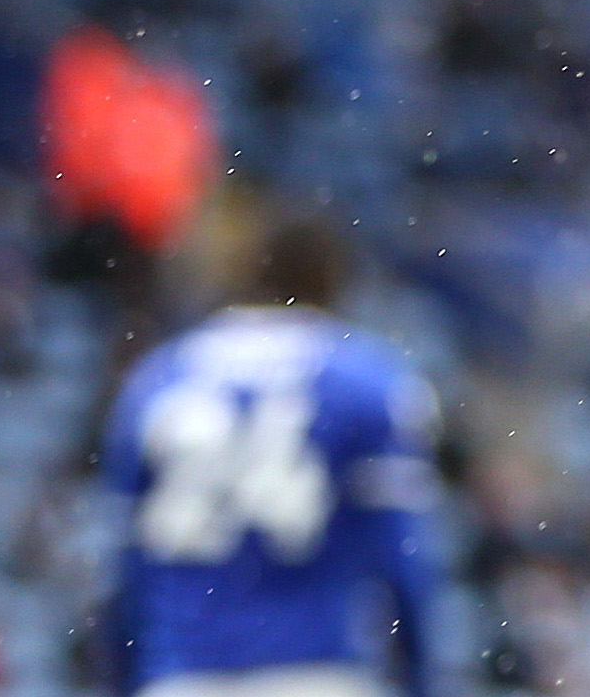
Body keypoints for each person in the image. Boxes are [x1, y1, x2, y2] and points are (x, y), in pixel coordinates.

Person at [101, 214, 443, 697]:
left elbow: (125, 569)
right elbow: (402, 559)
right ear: (333, 280)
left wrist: (122, 680)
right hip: (312, 671)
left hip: (181, 674)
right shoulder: (366, 378)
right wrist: (422, 680)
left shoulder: (159, 377)